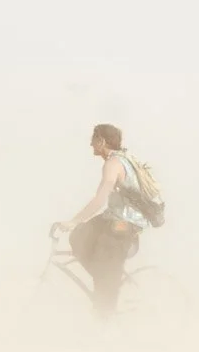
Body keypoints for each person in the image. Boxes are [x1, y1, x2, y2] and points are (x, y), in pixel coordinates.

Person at [54, 123, 149, 320]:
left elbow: (99, 199)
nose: (91, 144)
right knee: (79, 236)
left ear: (102, 141)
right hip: (116, 219)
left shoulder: (113, 164)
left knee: (103, 263)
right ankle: (105, 283)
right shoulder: (125, 159)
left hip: (122, 224)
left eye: (93, 140)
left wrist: (73, 221)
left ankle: (105, 310)